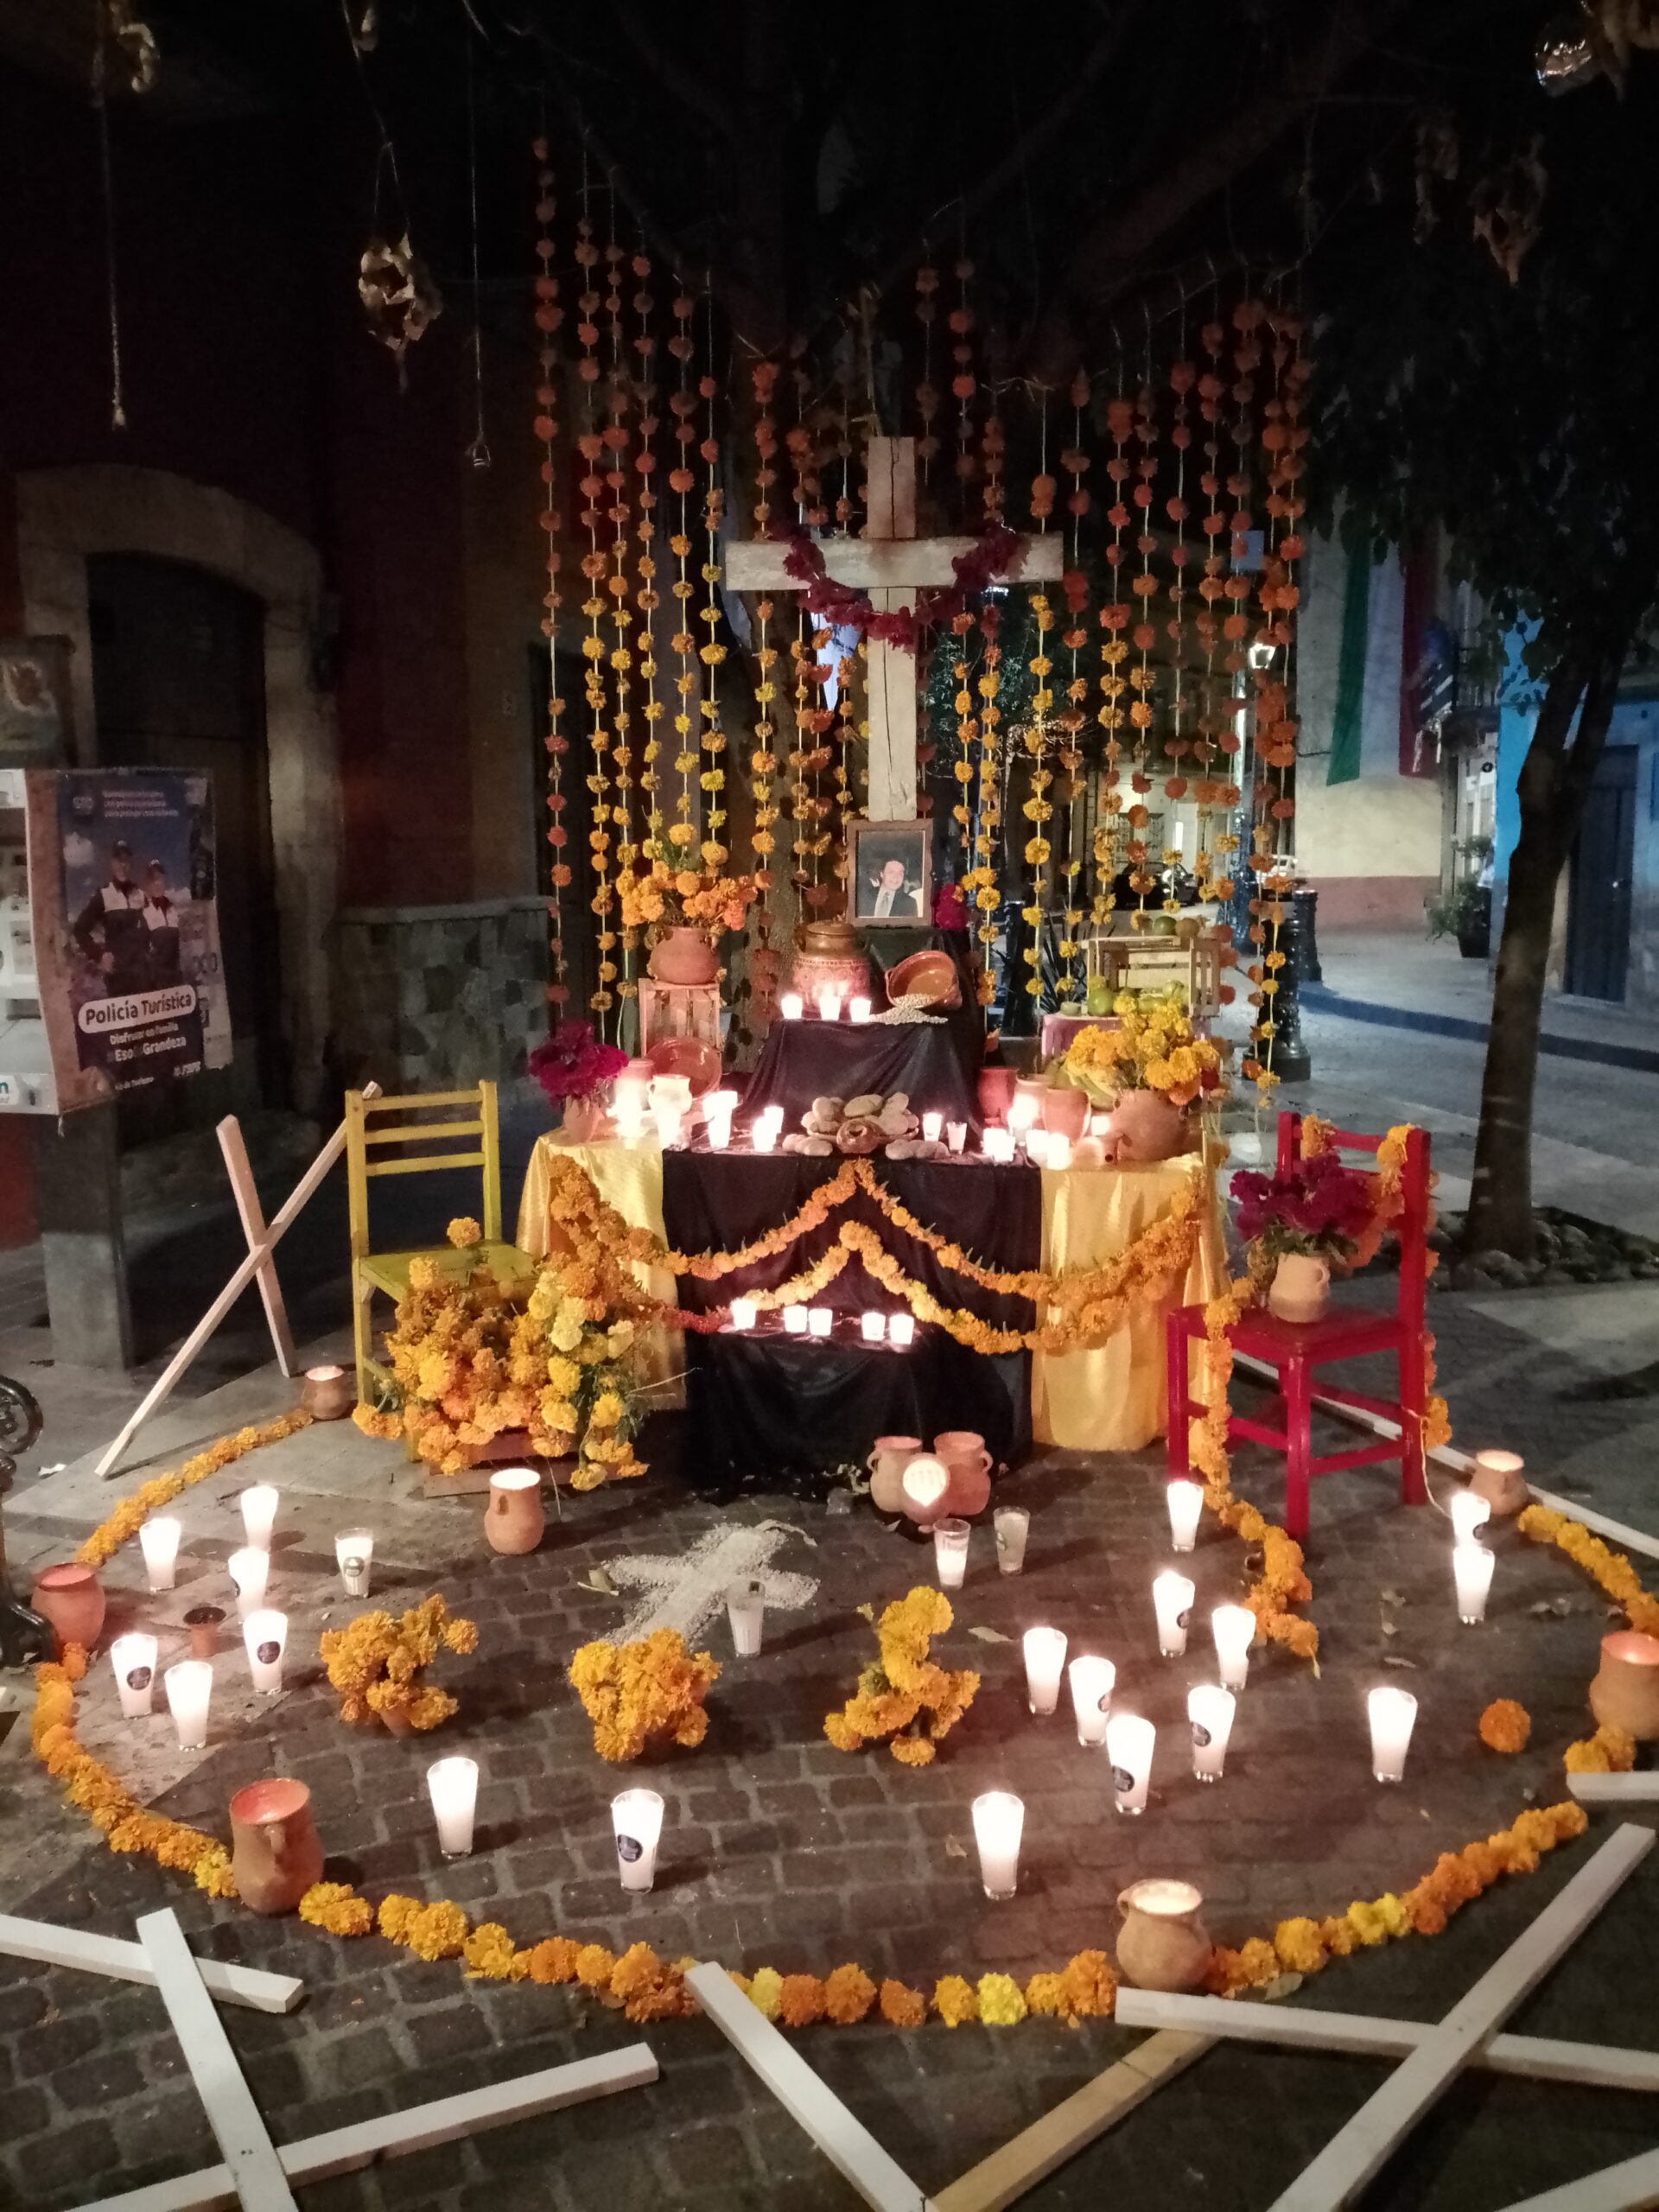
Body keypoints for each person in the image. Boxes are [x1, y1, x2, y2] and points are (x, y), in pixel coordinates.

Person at [73, 838, 148, 994]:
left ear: (131, 863)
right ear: (112, 863)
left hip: (143, 977)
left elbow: (150, 930)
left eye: (127, 860)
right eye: (119, 860)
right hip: (118, 978)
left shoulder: (140, 895)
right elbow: (80, 929)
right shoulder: (104, 895)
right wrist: (99, 955)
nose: (123, 865)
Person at [140, 859, 183, 985]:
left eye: (160, 878)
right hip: (157, 984)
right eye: (153, 879)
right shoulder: (144, 912)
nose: (157, 883)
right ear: (148, 884)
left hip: (177, 980)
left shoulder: (174, 909)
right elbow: (143, 953)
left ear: (164, 880)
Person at [866, 851, 925, 919]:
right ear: (882, 873)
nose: (896, 877)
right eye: (891, 872)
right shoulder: (864, 895)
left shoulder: (909, 903)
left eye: (900, 873)